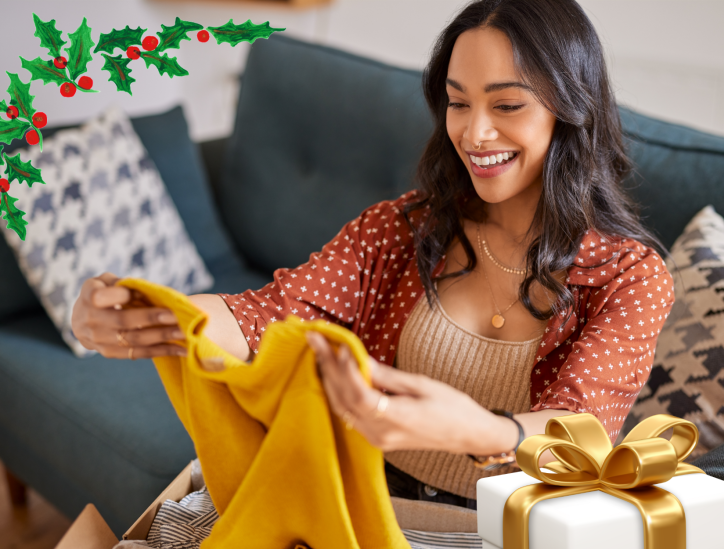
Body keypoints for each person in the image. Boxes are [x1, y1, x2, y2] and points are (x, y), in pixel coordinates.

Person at [71, 0, 674, 509]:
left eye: (507, 105)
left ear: (570, 110)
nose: (474, 133)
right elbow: (270, 314)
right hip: (363, 508)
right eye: (459, 102)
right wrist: (152, 313)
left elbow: (583, 434)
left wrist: (475, 429)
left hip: (514, 539)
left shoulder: (629, 278)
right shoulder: (401, 229)